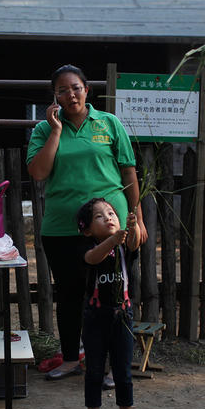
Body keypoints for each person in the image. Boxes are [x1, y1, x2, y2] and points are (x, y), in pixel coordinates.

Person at [27, 64, 147, 381]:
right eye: (62, 90)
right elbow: (38, 173)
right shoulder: (43, 129)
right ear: (55, 97)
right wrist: (55, 131)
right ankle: (70, 358)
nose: (71, 95)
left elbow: (128, 171)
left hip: (109, 226)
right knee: (69, 294)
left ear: (87, 89)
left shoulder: (109, 123)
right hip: (61, 226)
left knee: (114, 295)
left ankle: (112, 365)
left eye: (76, 87)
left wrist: (138, 218)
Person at [75, 198, 145, 409]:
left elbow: (135, 243)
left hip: (123, 315)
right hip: (96, 317)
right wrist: (112, 241)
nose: (108, 217)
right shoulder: (87, 246)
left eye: (112, 213)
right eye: (99, 216)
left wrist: (133, 225)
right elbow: (93, 258)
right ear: (87, 229)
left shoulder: (125, 246)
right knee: (94, 370)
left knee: (123, 372)